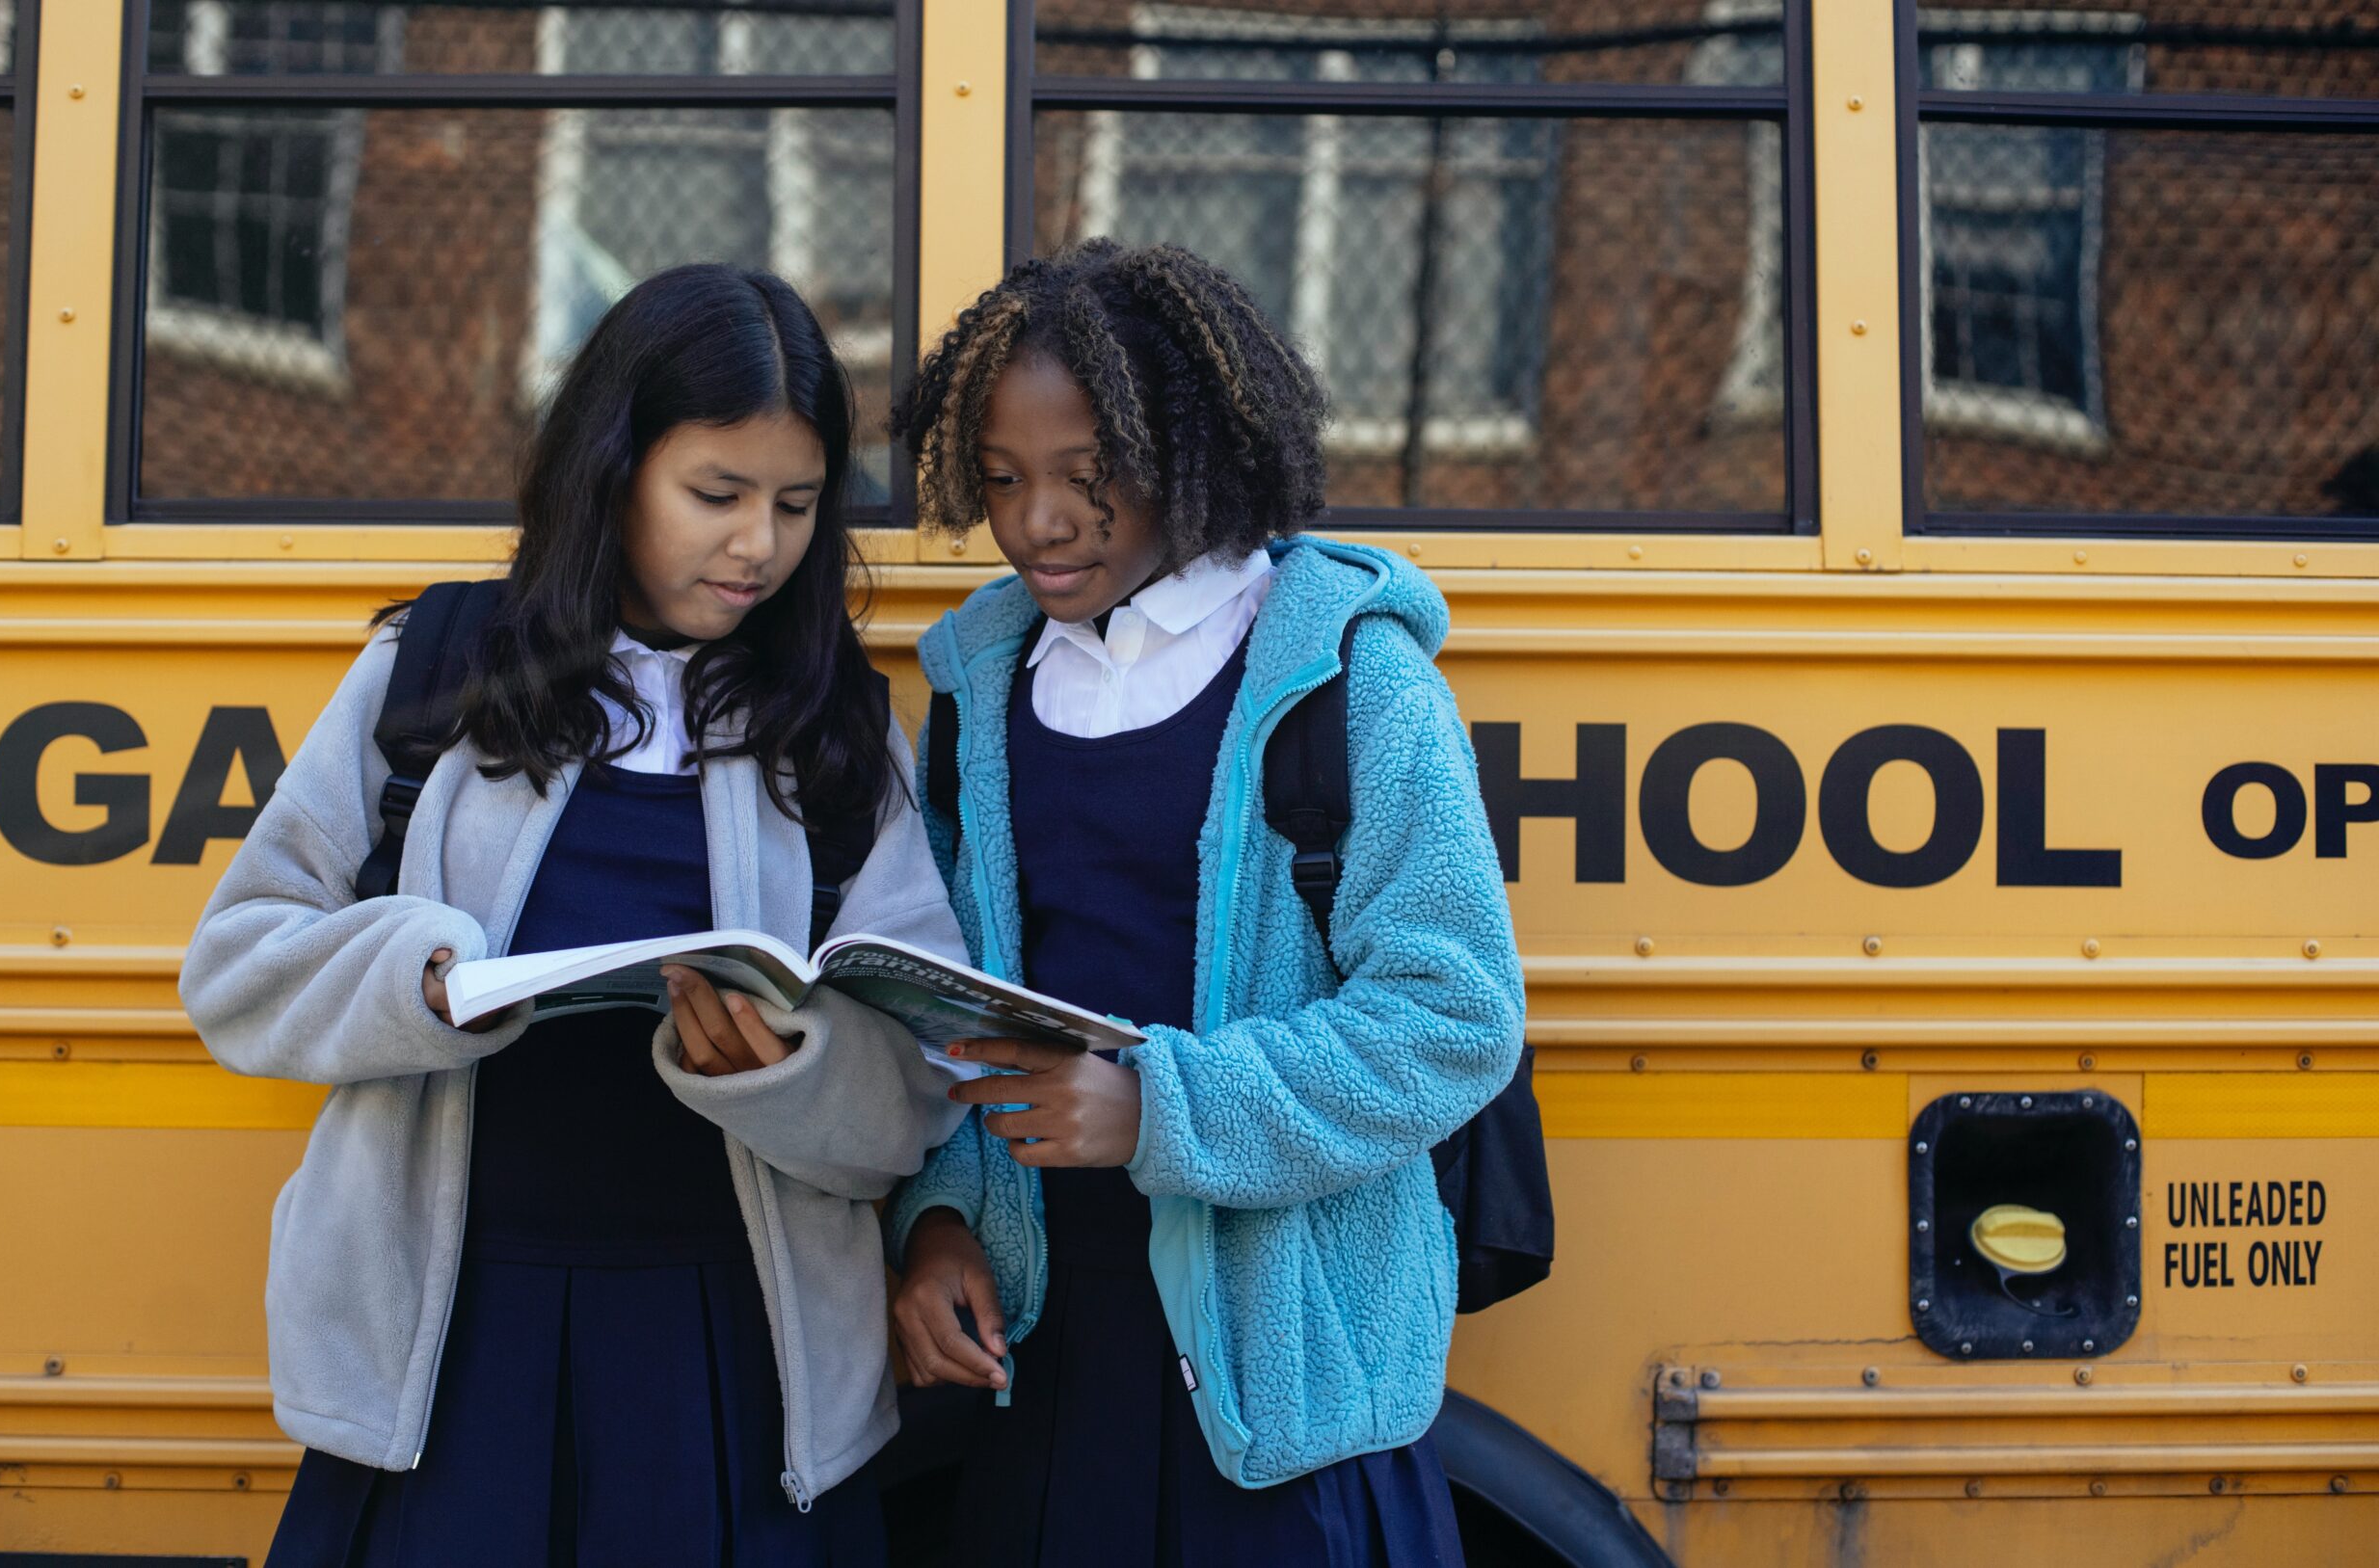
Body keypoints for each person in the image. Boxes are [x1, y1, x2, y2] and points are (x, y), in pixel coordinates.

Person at [179, 264, 965, 1566]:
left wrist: (792, 1071)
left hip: (739, 1354)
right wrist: (421, 983)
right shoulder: (432, 675)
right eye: (715, 495)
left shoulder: (835, 730)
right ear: (611, 471)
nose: (758, 545)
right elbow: (239, 968)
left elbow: (921, 1081)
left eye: (796, 504)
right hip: (449, 1344)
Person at [886, 239, 1525, 1566]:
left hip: (1278, 1380)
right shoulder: (981, 697)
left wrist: (1157, 1109)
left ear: (1193, 452)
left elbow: (1452, 1016)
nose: (1038, 523)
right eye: (1000, 481)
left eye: (1086, 477)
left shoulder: (1352, 683)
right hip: (1050, 1355)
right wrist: (941, 1217)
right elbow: (946, 1012)